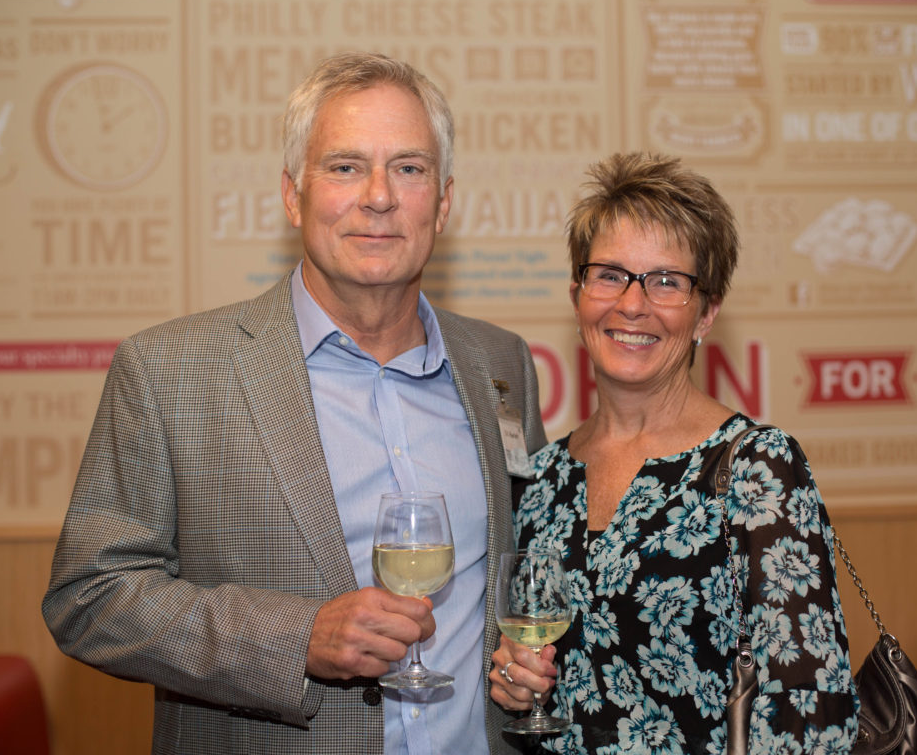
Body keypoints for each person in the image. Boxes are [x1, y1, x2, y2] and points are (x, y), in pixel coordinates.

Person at [42, 52, 547, 754]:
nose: (379, 196)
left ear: (443, 201)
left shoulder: (500, 365)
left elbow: (524, 568)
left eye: (409, 168)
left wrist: (525, 657)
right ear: (292, 195)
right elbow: (90, 596)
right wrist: (297, 638)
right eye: (345, 167)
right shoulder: (168, 372)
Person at [489, 152, 860, 754]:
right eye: (610, 274)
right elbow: (535, 674)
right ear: (578, 296)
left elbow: (810, 711)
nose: (632, 304)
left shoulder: (757, 467)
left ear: (706, 313)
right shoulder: (543, 478)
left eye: (666, 281)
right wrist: (515, 678)